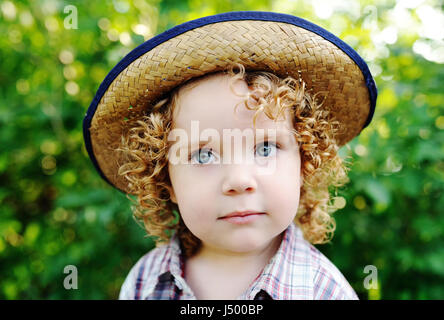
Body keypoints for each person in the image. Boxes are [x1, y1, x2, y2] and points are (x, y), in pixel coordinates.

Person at [83, 11, 377, 300]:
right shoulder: (145, 283)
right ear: (166, 182)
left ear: (304, 163)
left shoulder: (323, 291)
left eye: (265, 149)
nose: (239, 180)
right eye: (203, 155)